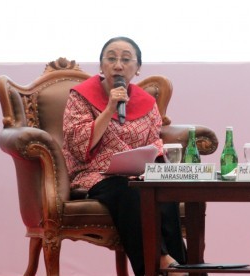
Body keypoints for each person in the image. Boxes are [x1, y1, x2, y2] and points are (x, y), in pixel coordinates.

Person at [62, 36, 186, 276]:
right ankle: (160, 264)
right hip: (95, 174)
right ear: (101, 65)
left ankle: (181, 265)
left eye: (126, 59)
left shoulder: (147, 102)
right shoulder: (80, 96)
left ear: (137, 68)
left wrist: (152, 157)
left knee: (162, 190)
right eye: (111, 58)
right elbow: (77, 145)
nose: (118, 65)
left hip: (138, 174)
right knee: (131, 192)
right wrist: (110, 108)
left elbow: (154, 143)